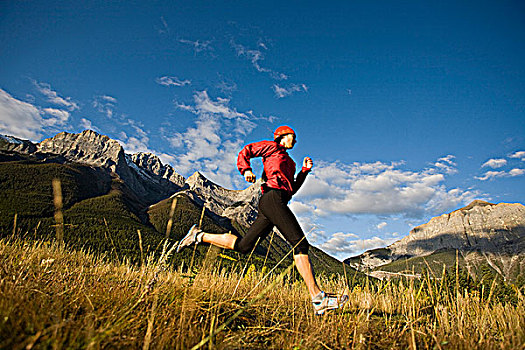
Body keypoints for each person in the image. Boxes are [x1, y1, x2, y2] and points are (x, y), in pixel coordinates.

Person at [176, 126, 348, 315]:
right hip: (271, 198)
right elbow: (246, 151)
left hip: (278, 201)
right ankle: (318, 298)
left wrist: (304, 172)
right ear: (282, 136)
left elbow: (291, 190)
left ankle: (198, 236)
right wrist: (246, 170)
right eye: (293, 137)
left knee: (243, 246)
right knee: (300, 244)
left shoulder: (290, 163)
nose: (295, 141)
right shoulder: (271, 147)